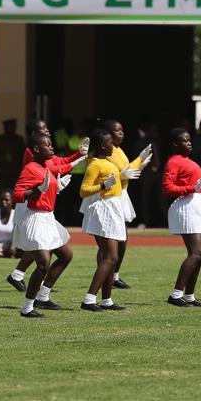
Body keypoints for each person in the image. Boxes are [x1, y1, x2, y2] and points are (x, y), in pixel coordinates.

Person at [12, 134, 75, 317]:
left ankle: (43, 295)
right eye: (47, 145)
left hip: (48, 218)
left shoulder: (46, 166)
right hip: (36, 218)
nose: (52, 148)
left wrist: (58, 187)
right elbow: (17, 195)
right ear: (37, 149)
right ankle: (27, 308)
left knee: (66, 255)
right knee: (43, 264)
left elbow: (47, 190)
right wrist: (37, 190)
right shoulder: (30, 168)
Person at [163, 128, 201, 307]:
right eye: (185, 141)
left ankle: (189, 296)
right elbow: (168, 188)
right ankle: (176, 294)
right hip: (186, 206)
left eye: (189, 140)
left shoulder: (187, 161)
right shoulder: (173, 162)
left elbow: (193, 186)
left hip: (196, 204)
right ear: (175, 144)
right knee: (196, 254)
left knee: (200, 256)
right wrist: (191, 189)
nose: (189, 143)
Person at [79, 129, 126, 312]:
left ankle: (107, 300)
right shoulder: (95, 165)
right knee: (111, 257)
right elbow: (83, 191)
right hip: (104, 209)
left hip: (113, 207)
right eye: (109, 143)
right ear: (101, 146)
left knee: (111, 259)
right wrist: (103, 186)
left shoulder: (106, 162)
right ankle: (89, 299)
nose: (113, 146)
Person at [104, 119, 153, 290]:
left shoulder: (119, 149)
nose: (121, 133)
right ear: (108, 134)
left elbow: (127, 168)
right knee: (109, 238)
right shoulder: (106, 150)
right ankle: (106, 274)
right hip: (110, 195)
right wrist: (121, 175)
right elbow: (107, 173)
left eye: (122, 130)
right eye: (117, 131)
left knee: (122, 239)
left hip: (122, 194)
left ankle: (114, 275)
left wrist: (140, 161)